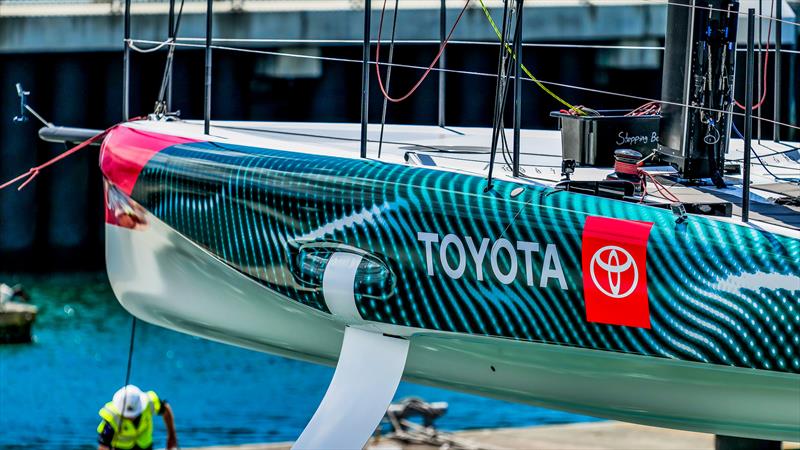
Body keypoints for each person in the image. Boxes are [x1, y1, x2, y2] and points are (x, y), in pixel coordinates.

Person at [97, 385, 178, 450]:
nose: (131, 417)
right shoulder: (111, 416)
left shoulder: (150, 402)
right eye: (127, 415)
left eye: (133, 414)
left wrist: (171, 436)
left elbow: (166, 410)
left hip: (145, 446)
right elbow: (103, 446)